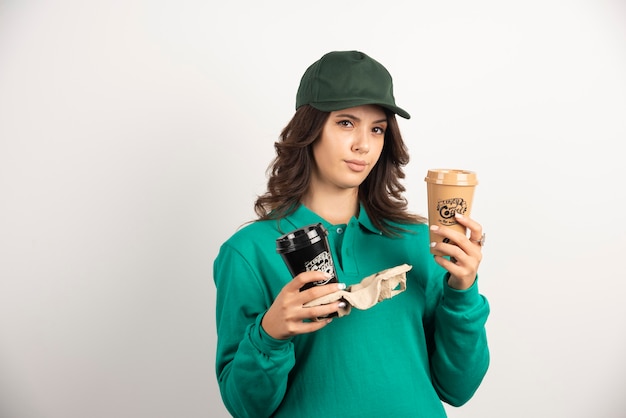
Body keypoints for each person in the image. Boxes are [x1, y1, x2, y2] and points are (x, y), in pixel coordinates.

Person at [213, 50, 490, 417]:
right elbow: (247, 407)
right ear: (309, 130)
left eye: (377, 128)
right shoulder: (250, 252)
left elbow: (458, 388)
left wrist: (462, 291)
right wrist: (270, 333)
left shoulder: (420, 243)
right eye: (346, 123)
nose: (364, 144)